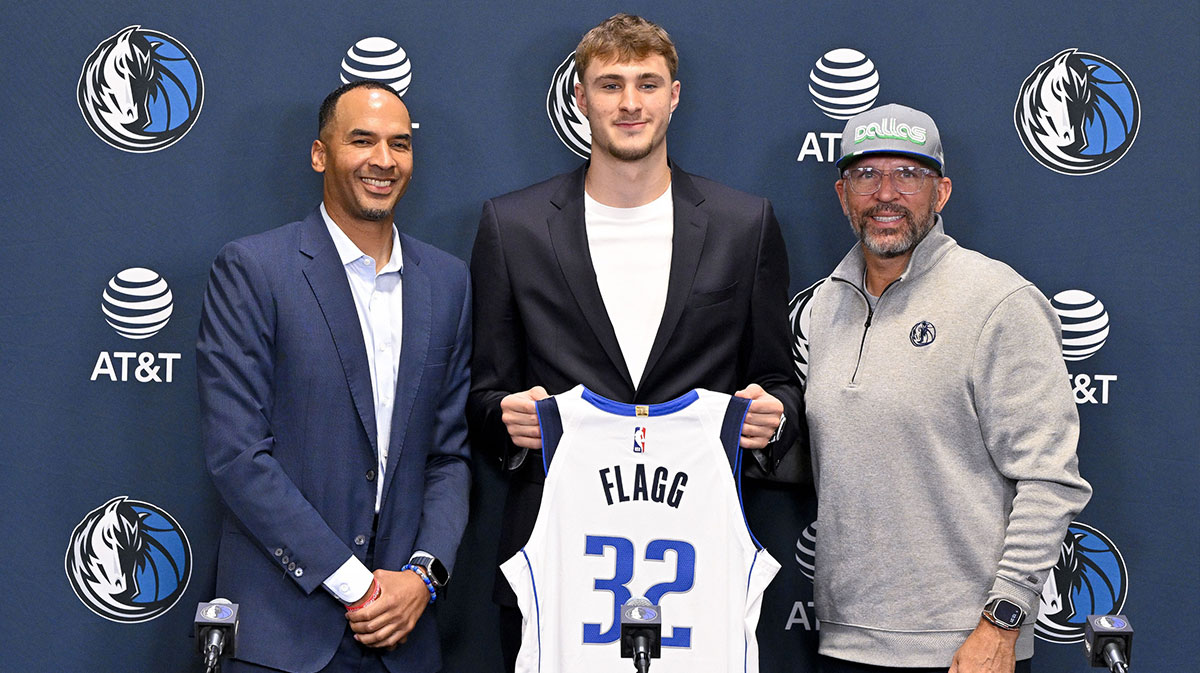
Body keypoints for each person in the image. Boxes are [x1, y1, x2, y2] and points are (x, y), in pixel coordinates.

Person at [467, 13, 802, 671]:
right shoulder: (513, 226)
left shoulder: (744, 224)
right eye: (610, 84)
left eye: (647, 83)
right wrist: (503, 419)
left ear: (674, 95)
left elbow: (780, 382)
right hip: (560, 564)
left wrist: (775, 416)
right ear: (579, 97)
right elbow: (483, 396)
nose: (629, 103)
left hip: (699, 558)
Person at [795, 103, 1092, 673]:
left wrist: (1002, 623)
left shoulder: (999, 301)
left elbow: (1050, 480)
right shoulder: (823, 306)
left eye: (909, 175)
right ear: (842, 194)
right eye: (866, 175)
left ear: (942, 192)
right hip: (843, 640)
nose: (886, 193)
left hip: (964, 647)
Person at [197, 81, 472, 673]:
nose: (383, 160)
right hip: (283, 635)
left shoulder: (448, 283)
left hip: (406, 636)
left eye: (400, 144)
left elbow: (449, 457)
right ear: (321, 154)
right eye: (362, 140)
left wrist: (420, 579)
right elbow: (238, 455)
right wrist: (356, 585)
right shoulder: (254, 270)